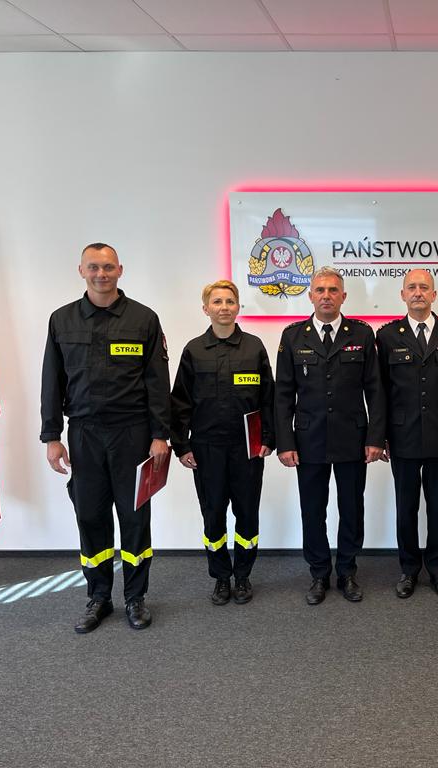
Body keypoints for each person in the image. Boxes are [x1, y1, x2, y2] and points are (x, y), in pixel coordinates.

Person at [40, 243, 170, 633]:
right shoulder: (62, 320)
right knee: (90, 516)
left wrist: (161, 434)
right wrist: (52, 436)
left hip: (133, 434)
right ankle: (98, 597)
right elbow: (51, 381)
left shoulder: (143, 319)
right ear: (81, 270)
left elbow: (157, 383)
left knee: (134, 518)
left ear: (120, 270)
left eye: (109, 267)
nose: (102, 274)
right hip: (84, 434)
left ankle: (135, 598)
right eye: (94, 267)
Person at [274, 267, 385, 605]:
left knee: (351, 508)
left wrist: (375, 438)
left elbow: (375, 390)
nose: (326, 296)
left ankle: (347, 571)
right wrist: (285, 442)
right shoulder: (293, 336)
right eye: (320, 290)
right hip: (308, 440)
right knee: (313, 510)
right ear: (310, 296)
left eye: (333, 290)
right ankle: (319, 573)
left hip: (352, 437)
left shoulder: (361, 334)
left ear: (343, 296)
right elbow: (283, 395)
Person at [170, 280, 275, 606]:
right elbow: (180, 402)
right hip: (207, 449)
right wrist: (182, 446)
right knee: (213, 514)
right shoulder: (194, 350)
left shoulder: (254, 347)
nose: (224, 307)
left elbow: (269, 399)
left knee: (247, 514)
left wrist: (269, 439)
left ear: (238, 306)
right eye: (217, 302)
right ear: (206, 309)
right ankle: (220, 577)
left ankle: (242, 575)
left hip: (247, 449)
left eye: (230, 301)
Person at [376, 269, 438, 599]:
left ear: (434, 294)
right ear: (402, 295)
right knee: (406, 507)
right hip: (402, 435)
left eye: (424, 287)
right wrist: (381, 436)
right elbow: (379, 391)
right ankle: (409, 569)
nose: (418, 292)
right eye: (411, 287)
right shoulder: (387, 336)